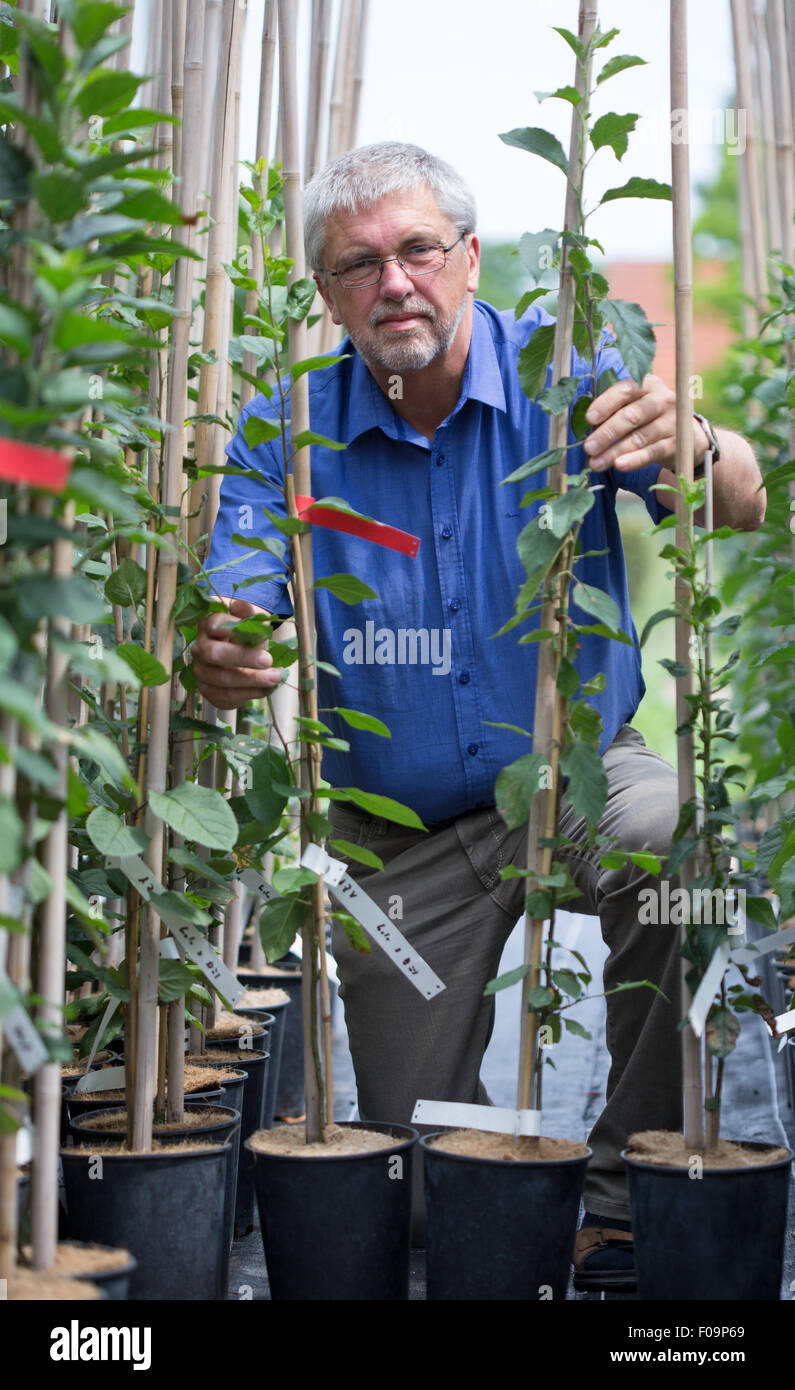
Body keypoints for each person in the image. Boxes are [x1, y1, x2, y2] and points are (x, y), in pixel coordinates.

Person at [192, 143, 765, 1289]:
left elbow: (740, 504)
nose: (394, 282)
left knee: (680, 848)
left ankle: (617, 1203)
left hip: (587, 776)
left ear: (466, 256)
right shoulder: (287, 429)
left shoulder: (572, 371)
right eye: (360, 264)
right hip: (399, 842)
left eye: (417, 250)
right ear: (326, 292)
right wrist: (225, 650)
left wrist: (694, 443)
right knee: (416, 1186)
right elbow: (234, 603)